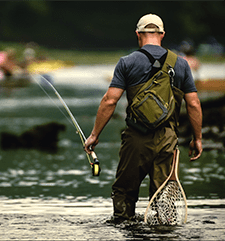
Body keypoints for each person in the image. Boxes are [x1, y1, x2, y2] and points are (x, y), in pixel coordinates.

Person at [84, 14, 203, 223]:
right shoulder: (182, 64)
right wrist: (198, 138)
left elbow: (109, 101)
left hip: (135, 138)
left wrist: (94, 135)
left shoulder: (127, 62)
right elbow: (193, 104)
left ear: (138, 34)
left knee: (124, 193)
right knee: (163, 197)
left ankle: (125, 226)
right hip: (168, 138)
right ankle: (165, 232)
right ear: (162, 34)